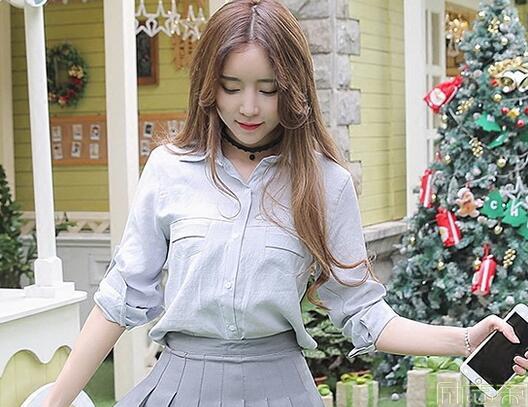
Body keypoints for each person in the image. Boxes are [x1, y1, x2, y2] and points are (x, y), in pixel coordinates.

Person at [43, 0, 528, 406]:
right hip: (179, 385)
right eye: (231, 87)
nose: (249, 107)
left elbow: (364, 313)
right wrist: (55, 403)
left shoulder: (326, 183)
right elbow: (119, 301)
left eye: (269, 89)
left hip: (280, 389)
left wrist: (467, 338)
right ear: (208, 86)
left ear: (294, 89)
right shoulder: (169, 169)